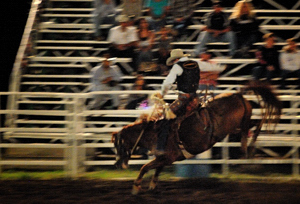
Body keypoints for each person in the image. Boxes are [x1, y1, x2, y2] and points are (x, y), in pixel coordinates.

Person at [155, 49, 201, 155]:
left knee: (165, 117)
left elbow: (167, 83)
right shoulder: (195, 64)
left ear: (176, 59)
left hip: (184, 99)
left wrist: (162, 94)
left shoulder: (177, 66)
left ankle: (160, 147)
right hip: (195, 98)